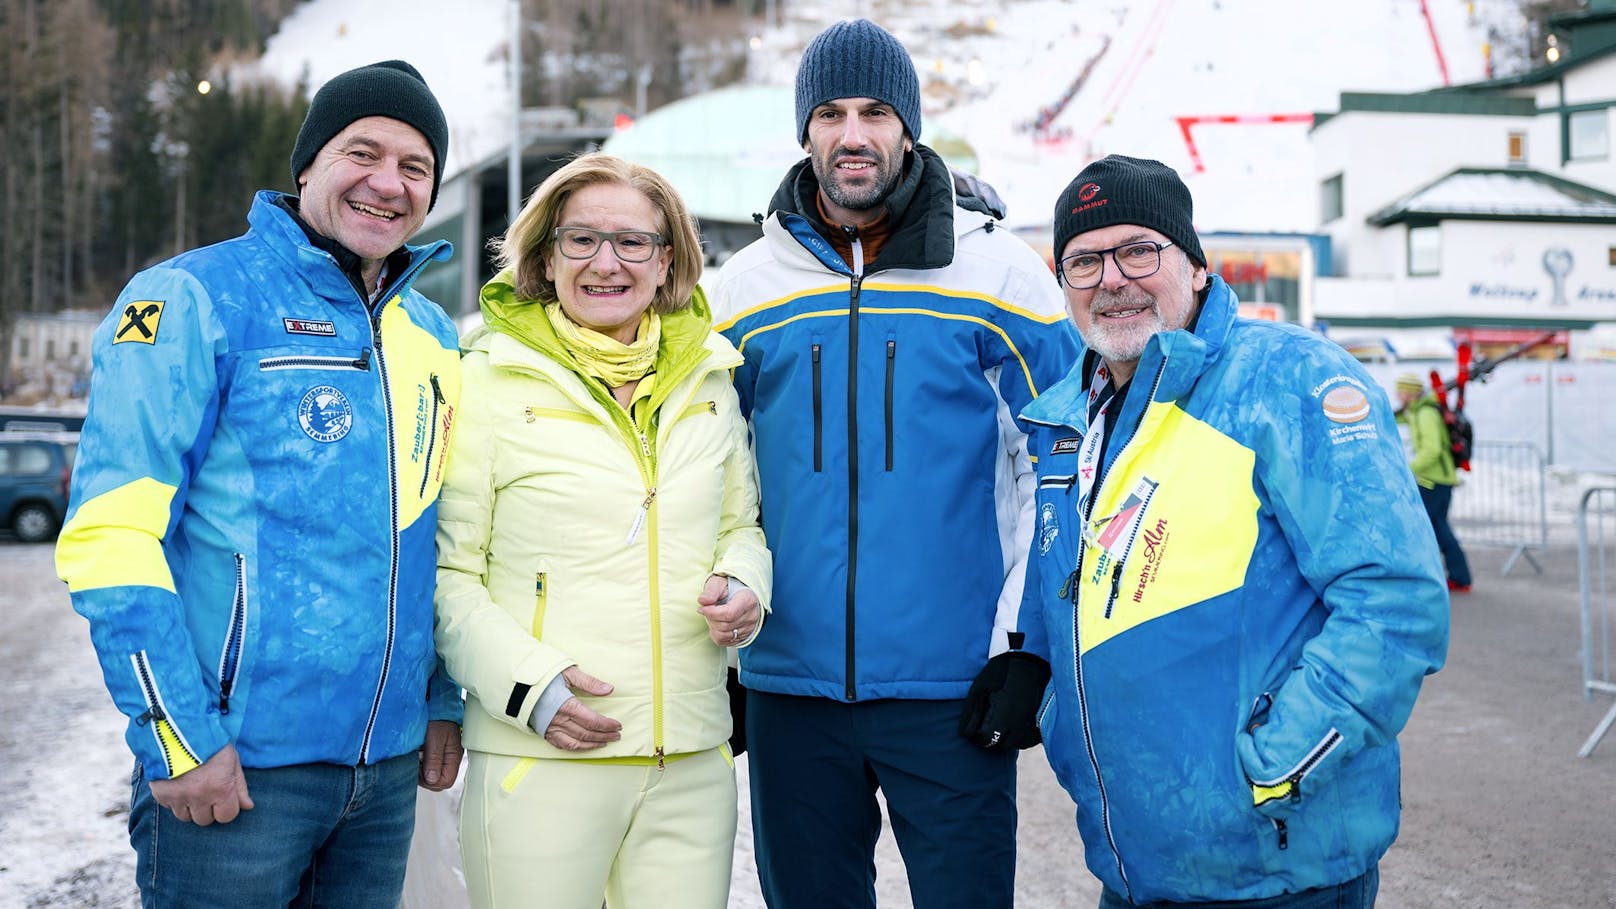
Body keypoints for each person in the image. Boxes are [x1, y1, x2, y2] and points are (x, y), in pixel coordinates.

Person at [54, 60, 465, 909]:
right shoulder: (193, 298)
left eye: (415, 166)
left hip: (383, 777)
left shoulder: (432, 331)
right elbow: (111, 535)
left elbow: (434, 535)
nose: (388, 183)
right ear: (308, 163)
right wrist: (179, 738)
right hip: (235, 771)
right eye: (363, 152)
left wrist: (437, 697)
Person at [710, 18, 1078, 909]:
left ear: (907, 127)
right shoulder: (744, 288)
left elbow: (1064, 462)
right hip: (789, 691)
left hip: (953, 690)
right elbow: (712, 475)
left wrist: (1023, 646)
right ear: (805, 132)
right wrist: (721, 665)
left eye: (876, 111)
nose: (853, 134)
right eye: (830, 113)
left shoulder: (998, 274)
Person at [1018, 154, 1450, 908]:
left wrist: (1278, 764)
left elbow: (1396, 602)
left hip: (1277, 869)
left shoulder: (1290, 381)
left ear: (1193, 263)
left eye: (1138, 250)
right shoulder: (1068, 421)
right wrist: (1034, 673)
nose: (1112, 278)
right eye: (1085, 260)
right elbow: (1075, 585)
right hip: (1134, 866)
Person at [433, 152, 772, 909]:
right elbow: (446, 576)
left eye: (633, 243)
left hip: (687, 761)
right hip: (542, 754)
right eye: (580, 240)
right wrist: (532, 688)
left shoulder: (710, 381)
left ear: (670, 262)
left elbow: (739, 525)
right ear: (544, 258)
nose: (605, 263)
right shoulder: (484, 380)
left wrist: (748, 583)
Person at [1396, 372, 1473, 593]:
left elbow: (1432, 450)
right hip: (1434, 480)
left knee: (1431, 528)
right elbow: (1396, 417)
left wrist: (1407, 471)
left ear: (1410, 393)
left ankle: (1455, 576)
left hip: (1435, 480)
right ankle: (1458, 576)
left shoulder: (1425, 414)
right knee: (1437, 527)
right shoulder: (1415, 411)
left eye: (1400, 390)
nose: (1397, 394)